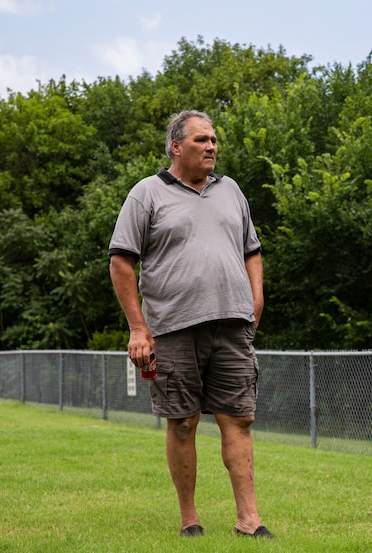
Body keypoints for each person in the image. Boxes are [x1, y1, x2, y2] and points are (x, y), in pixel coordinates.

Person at [108, 110, 273, 539]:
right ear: (176, 147)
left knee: (238, 419)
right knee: (182, 422)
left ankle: (249, 521)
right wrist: (138, 329)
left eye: (214, 139)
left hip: (233, 327)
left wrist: (256, 297)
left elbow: (251, 250)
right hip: (174, 327)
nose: (212, 146)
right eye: (202, 140)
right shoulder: (146, 194)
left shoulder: (231, 190)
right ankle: (189, 519)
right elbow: (121, 261)